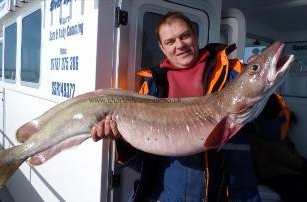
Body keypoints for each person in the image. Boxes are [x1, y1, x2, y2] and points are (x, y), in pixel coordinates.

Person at [91, 11, 267, 201]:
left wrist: (267, 95)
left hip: (232, 195)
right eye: (170, 41)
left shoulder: (234, 73)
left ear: (195, 35)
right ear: (162, 47)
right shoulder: (151, 87)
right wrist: (122, 141)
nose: (180, 45)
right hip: (168, 194)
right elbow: (143, 161)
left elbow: (274, 132)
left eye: (185, 36)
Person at [251, 94, 307, 202]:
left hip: (284, 171)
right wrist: (302, 165)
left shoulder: (271, 129)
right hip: (275, 173)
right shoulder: (262, 133)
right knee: (297, 191)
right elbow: (280, 154)